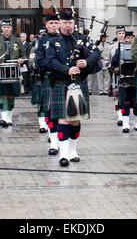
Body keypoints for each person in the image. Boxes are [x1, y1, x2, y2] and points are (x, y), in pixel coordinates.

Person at [46, 9, 101, 167]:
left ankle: (72, 150)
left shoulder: (82, 39)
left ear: (73, 23)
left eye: (70, 23)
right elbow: (51, 61)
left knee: (75, 120)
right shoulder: (53, 41)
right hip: (61, 82)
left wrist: (87, 62)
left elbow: (96, 53)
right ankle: (63, 155)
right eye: (64, 23)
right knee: (63, 118)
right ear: (60, 24)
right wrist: (67, 70)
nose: (67, 26)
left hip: (79, 82)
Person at [0, 19, 26, 127]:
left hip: (13, 70)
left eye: (8, 27)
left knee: (11, 95)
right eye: (4, 27)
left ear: (11, 28)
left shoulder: (17, 40)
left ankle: (9, 118)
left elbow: (24, 55)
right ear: (1, 28)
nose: (6, 29)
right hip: (0, 70)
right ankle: (3, 118)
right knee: (2, 94)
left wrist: (21, 60)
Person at [34, 13, 60, 155]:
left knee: (62, 113)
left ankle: (61, 140)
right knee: (50, 110)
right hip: (48, 78)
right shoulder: (42, 40)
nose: (54, 26)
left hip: (63, 79)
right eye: (51, 23)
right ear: (46, 25)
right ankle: (52, 137)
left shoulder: (63, 38)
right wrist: (53, 64)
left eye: (56, 23)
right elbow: (39, 60)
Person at [111, 31, 137, 133]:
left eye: (132, 38)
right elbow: (114, 63)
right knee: (125, 102)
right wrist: (115, 69)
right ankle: (125, 123)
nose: (129, 40)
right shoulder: (120, 49)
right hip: (124, 79)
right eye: (128, 38)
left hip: (136, 78)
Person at [110, 26, 126, 126]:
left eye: (123, 33)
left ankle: (125, 116)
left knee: (125, 96)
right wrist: (113, 68)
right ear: (116, 35)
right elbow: (108, 60)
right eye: (119, 33)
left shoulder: (128, 45)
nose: (121, 35)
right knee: (117, 96)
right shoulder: (112, 47)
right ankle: (119, 116)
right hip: (116, 74)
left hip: (126, 74)